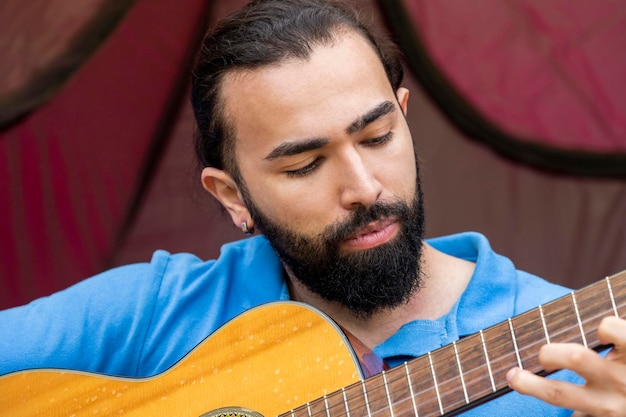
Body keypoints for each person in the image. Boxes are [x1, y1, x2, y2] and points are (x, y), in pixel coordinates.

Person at [1, 0, 625, 415]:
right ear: (232, 196)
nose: (365, 188)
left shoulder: (580, 359)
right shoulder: (158, 313)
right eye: (304, 165)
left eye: (378, 137)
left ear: (404, 117)